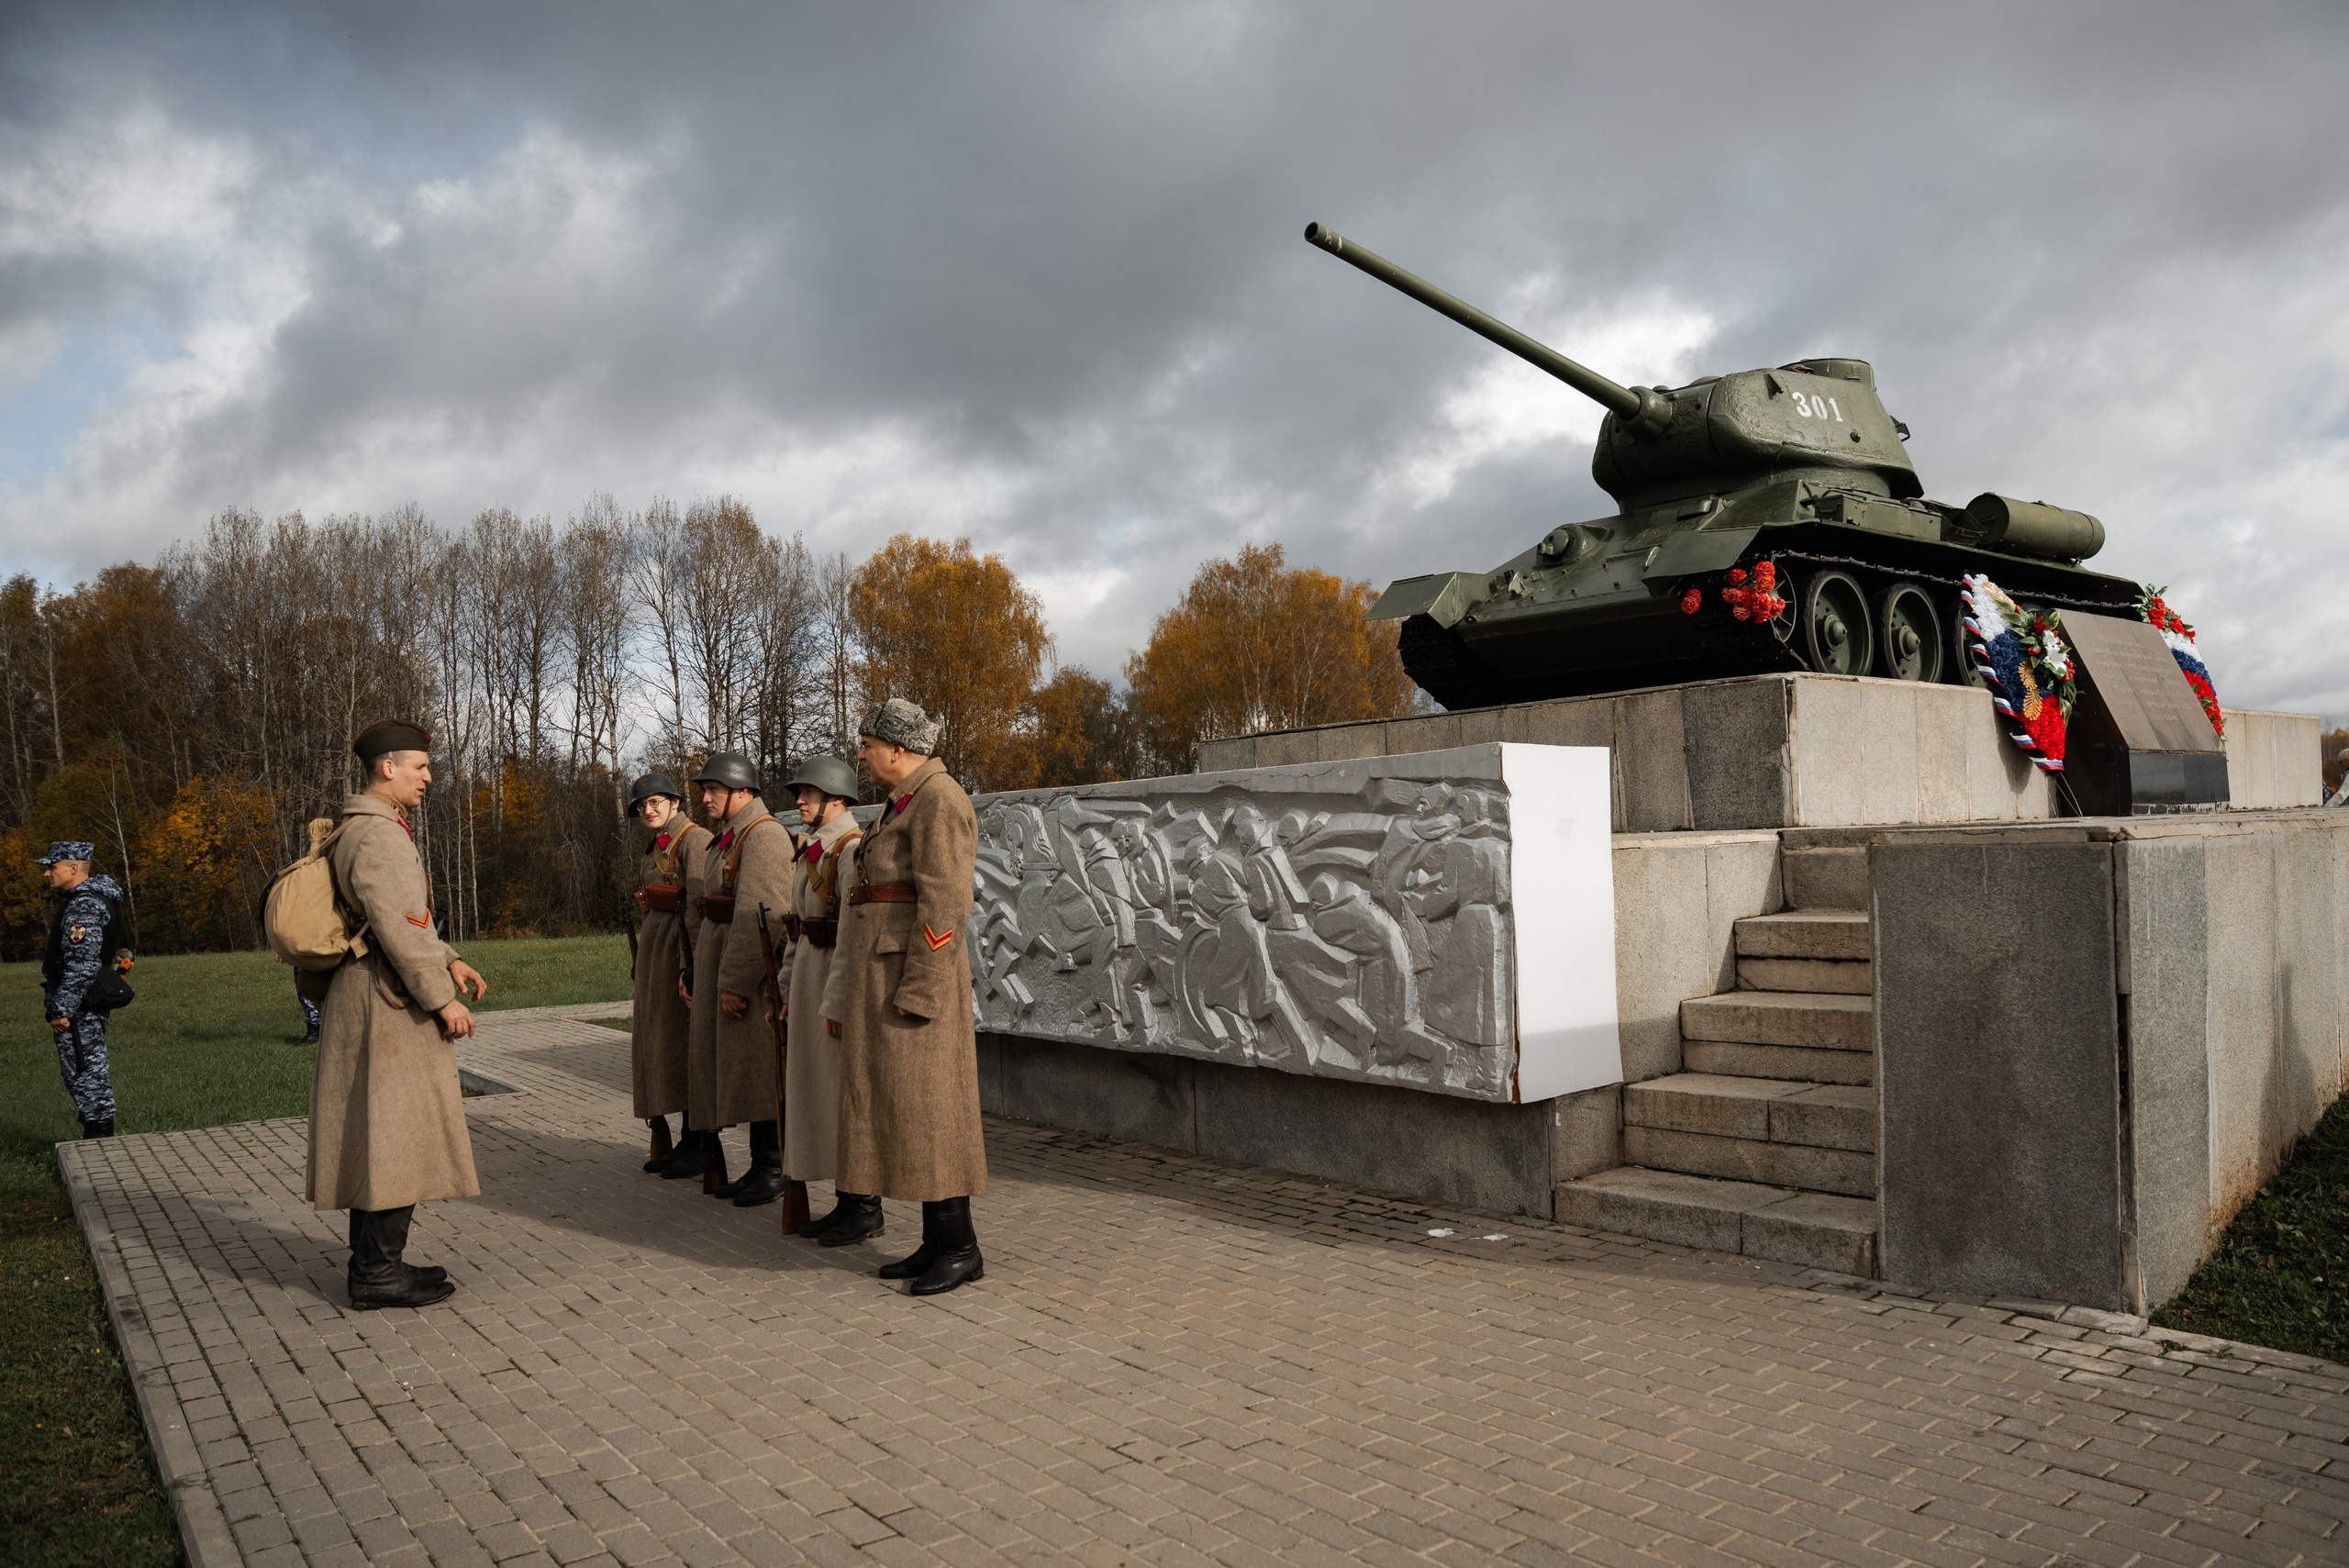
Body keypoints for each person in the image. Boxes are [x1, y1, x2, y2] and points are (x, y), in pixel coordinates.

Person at [308, 719, 488, 1310]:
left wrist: (452, 958)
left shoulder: (358, 828)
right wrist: (441, 999)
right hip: (388, 1004)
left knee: (377, 1136)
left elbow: (406, 919)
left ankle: (375, 1263)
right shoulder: (380, 835)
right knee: (394, 1137)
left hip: (370, 996)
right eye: (421, 768)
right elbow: (400, 932)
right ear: (388, 768)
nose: (429, 778)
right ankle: (376, 1275)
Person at [821, 698, 988, 1295]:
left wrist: (921, 987)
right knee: (908, 1111)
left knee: (932, 1111)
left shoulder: (940, 798)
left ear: (898, 748)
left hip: (915, 985)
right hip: (885, 981)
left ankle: (962, 1247)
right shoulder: (905, 799)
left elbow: (945, 904)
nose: (861, 755)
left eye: (867, 745)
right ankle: (936, 1241)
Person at [683, 751, 796, 1207]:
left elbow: (759, 915)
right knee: (744, 1071)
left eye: (714, 790)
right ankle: (758, 1167)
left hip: (749, 976)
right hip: (721, 959)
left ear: (743, 792)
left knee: (759, 1072)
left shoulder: (764, 836)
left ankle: (773, 1169)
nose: (706, 798)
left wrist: (735, 981)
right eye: (705, 790)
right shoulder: (733, 835)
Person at [777, 756, 864, 1239]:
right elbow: (795, 929)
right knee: (814, 1094)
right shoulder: (810, 850)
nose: (799, 801)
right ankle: (846, 1202)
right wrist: (787, 991)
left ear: (836, 797)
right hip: (809, 974)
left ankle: (862, 1204)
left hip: (832, 978)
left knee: (840, 1096)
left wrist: (836, 1003)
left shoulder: (851, 851)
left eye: (808, 792)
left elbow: (853, 937)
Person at [628, 773, 712, 1175]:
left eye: (657, 802)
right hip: (656, 951)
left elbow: (697, 905)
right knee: (665, 1046)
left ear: (676, 803)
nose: (649, 810)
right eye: (643, 806)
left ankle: (700, 1145)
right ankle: (685, 1139)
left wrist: (691, 966)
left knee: (683, 1047)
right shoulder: (655, 845)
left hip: (679, 950)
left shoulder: (693, 839)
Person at [39, 841, 126, 1139]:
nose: (47, 874)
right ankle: (97, 1135)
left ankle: (99, 1144)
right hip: (85, 1002)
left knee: (85, 1072)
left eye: (52, 867)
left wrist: (62, 1009)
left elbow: (83, 964)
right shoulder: (92, 899)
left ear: (74, 868)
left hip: (80, 1006)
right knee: (82, 1071)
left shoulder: (85, 905)